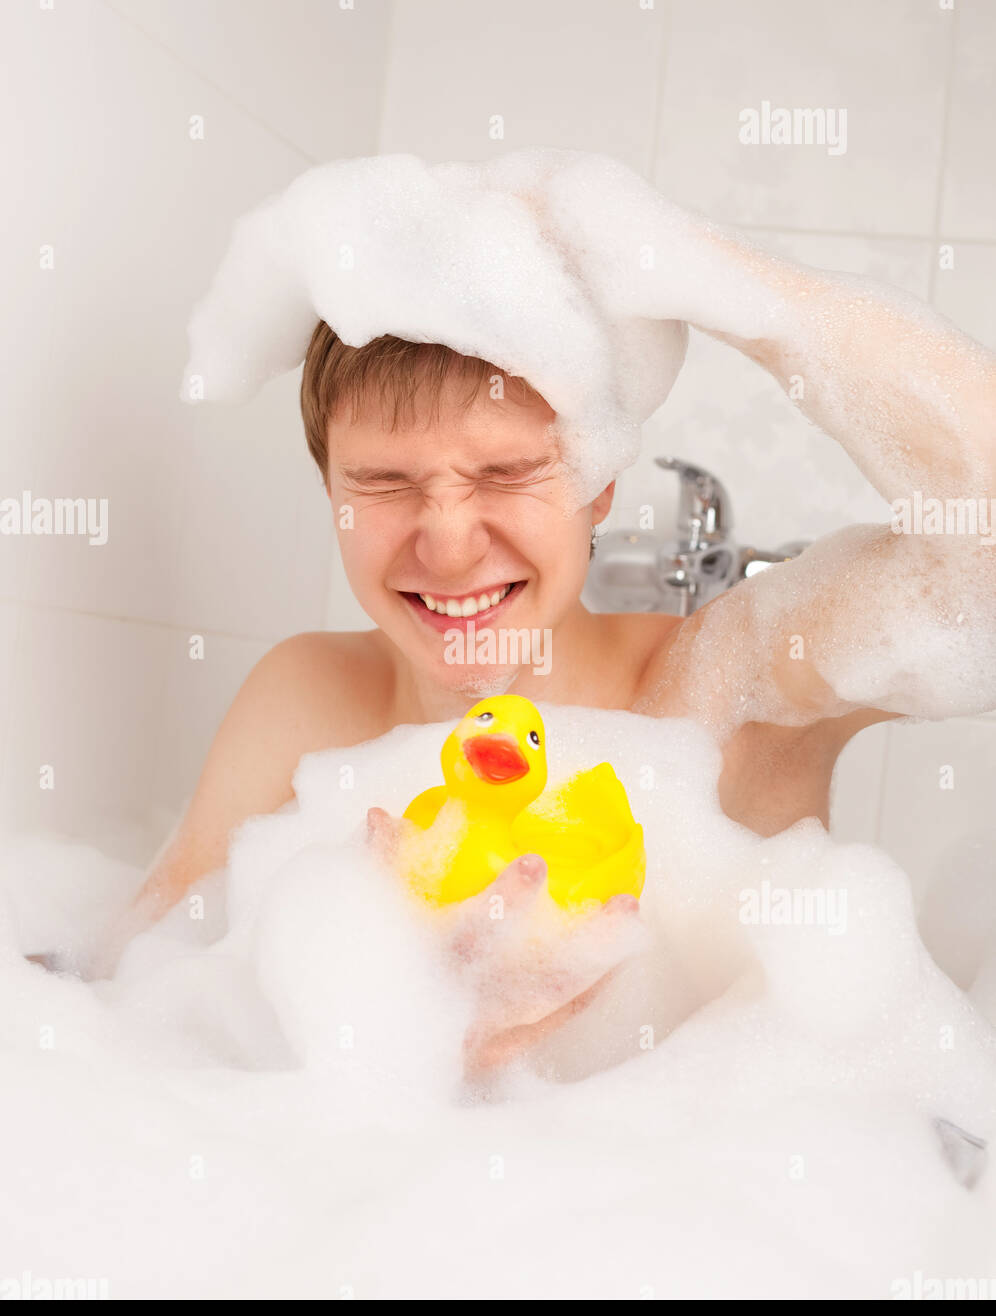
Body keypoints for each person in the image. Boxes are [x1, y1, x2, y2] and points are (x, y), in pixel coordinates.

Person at [95, 227, 996, 1077]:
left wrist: (709, 270)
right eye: (385, 483)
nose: (446, 543)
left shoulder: (727, 689)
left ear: (599, 485)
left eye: (506, 474)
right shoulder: (305, 695)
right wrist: (385, 1040)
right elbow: (129, 989)